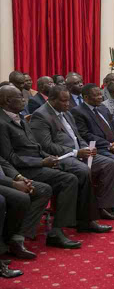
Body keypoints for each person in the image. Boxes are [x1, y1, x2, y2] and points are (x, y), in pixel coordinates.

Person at [0, 85, 82, 249]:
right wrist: (41, 162)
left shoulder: (20, 117)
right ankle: (53, 232)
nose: (24, 99)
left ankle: (43, 232)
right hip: (23, 169)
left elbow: (35, 146)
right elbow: (9, 158)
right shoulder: (2, 123)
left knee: (68, 175)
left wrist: (47, 157)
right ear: (7, 101)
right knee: (67, 180)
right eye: (19, 97)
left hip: (37, 162)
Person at [30, 85, 114, 230]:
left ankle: (103, 207)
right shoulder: (41, 115)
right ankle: (86, 220)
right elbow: (46, 145)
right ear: (52, 100)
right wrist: (76, 152)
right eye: (63, 101)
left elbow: (78, 136)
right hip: (61, 156)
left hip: (78, 153)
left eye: (68, 100)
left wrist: (86, 148)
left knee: (109, 163)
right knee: (83, 171)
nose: (67, 104)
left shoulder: (66, 112)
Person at [0, 155, 52, 259]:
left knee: (43, 190)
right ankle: (5, 244)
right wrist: (14, 184)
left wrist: (19, 177)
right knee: (20, 198)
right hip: (4, 182)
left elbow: (2, 161)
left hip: (6, 178)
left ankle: (17, 239)